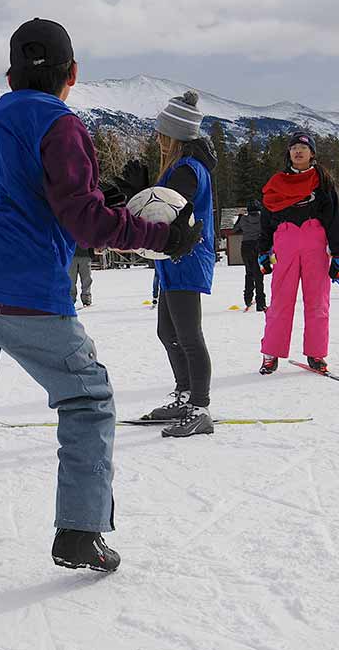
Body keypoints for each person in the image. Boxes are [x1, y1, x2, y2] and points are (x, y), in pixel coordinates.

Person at [0, 18, 202, 575]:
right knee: (87, 399)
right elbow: (84, 223)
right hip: (23, 289)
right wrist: (163, 237)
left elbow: (27, 195)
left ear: (10, 76)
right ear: (73, 73)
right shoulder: (62, 124)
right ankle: (80, 533)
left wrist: (100, 192)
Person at [133, 91, 217, 439]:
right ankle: (185, 396)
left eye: (161, 133)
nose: (157, 138)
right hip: (174, 260)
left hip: (186, 257)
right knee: (167, 332)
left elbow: (171, 216)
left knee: (188, 335)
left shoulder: (186, 170)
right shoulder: (179, 167)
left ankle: (200, 407)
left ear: (174, 135)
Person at [257, 130, 339, 375]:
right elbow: (266, 219)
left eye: (303, 147)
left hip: (315, 242)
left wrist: (338, 253)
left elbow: (334, 218)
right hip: (285, 241)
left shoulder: (322, 181)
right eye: (294, 147)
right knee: (280, 301)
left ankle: (316, 354)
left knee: (317, 301)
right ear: (289, 152)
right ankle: (271, 354)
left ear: (312, 153)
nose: (298, 151)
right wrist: (263, 250)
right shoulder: (276, 182)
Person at [232, 199, 266, 311]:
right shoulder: (262, 219)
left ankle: (248, 298)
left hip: (246, 247)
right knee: (258, 275)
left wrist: (240, 218)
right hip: (258, 246)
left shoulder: (243, 219)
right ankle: (260, 303)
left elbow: (235, 230)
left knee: (249, 272)